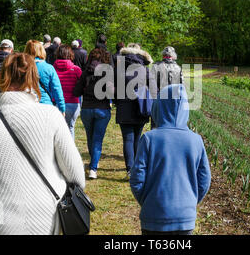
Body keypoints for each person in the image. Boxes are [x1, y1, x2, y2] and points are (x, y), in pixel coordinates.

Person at [0, 53, 85, 235]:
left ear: (1, 76)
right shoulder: (51, 115)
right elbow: (76, 175)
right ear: (34, 78)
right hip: (45, 217)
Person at [129, 84, 211, 235]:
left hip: (153, 216)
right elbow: (204, 180)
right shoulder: (196, 140)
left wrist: (147, 201)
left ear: (158, 107)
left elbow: (136, 178)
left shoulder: (149, 139)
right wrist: (190, 201)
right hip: (185, 218)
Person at [114, 43, 153, 178]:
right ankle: (137, 168)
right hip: (140, 107)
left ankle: (130, 170)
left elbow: (113, 88)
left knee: (128, 139)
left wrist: (116, 101)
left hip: (124, 107)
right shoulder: (145, 70)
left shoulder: (120, 69)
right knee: (137, 138)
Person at [73, 47, 113, 179]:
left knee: (90, 138)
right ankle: (93, 168)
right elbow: (111, 92)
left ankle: (92, 163)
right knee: (97, 139)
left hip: (87, 109)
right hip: (102, 108)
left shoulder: (85, 73)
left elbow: (76, 92)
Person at [24, 40, 66, 115]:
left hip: (27, 107)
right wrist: (62, 108)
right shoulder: (49, 68)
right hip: (46, 106)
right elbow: (57, 90)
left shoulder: (21, 68)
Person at [53, 44, 82, 141]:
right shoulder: (76, 69)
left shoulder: (52, 69)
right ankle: (70, 152)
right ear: (70, 54)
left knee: (57, 130)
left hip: (56, 103)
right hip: (73, 103)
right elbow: (82, 84)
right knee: (70, 128)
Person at [150, 46, 184, 128]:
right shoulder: (178, 68)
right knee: (171, 123)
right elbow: (182, 87)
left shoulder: (156, 66)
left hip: (159, 99)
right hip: (173, 100)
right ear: (173, 56)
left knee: (156, 124)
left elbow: (151, 85)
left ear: (163, 55)